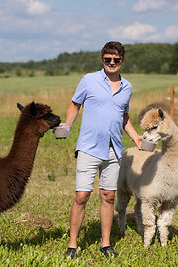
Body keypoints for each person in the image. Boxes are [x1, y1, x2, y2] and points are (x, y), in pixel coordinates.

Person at [61, 41, 142, 259]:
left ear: (122, 61)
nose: (112, 63)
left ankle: (105, 245)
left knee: (108, 196)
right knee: (82, 196)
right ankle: (72, 246)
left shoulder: (127, 87)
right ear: (102, 59)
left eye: (116, 59)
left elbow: (123, 116)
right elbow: (74, 105)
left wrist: (135, 137)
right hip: (88, 147)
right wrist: (67, 126)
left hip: (113, 150)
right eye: (108, 59)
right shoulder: (89, 80)